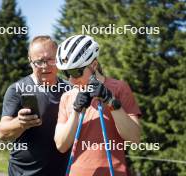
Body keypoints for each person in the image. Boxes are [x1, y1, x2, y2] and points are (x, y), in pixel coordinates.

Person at [54, 35, 141, 176]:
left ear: (94, 65)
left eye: (76, 72)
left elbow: (134, 138)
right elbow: (61, 146)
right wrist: (75, 111)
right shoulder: (67, 97)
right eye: (66, 73)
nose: (71, 79)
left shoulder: (119, 88)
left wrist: (111, 101)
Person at [0, 35, 69, 176]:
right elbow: (2, 132)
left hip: (62, 171)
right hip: (23, 172)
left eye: (50, 60)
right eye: (39, 61)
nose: (45, 66)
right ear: (30, 62)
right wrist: (20, 122)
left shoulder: (70, 89)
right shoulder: (17, 89)